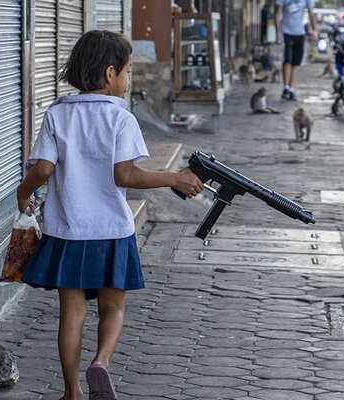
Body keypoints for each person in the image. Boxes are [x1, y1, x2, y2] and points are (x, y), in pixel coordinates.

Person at [17, 30, 203, 400]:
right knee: (112, 307)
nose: (128, 79)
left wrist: (23, 193)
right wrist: (174, 178)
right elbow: (126, 175)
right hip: (111, 231)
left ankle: (72, 392)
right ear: (109, 73)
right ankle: (101, 361)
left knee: (71, 313)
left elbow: (42, 170)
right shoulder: (121, 119)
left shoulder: (57, 114)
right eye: (129, 71)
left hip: (67, 230)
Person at [275, 0, 317, 101]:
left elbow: (311, 13)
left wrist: (315, 30)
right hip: (286, 32)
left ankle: (291, 88)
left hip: (300, 33)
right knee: (287, 60)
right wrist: (278, 33)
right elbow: (278, 13)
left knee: (295, 63)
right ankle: (286, 88)